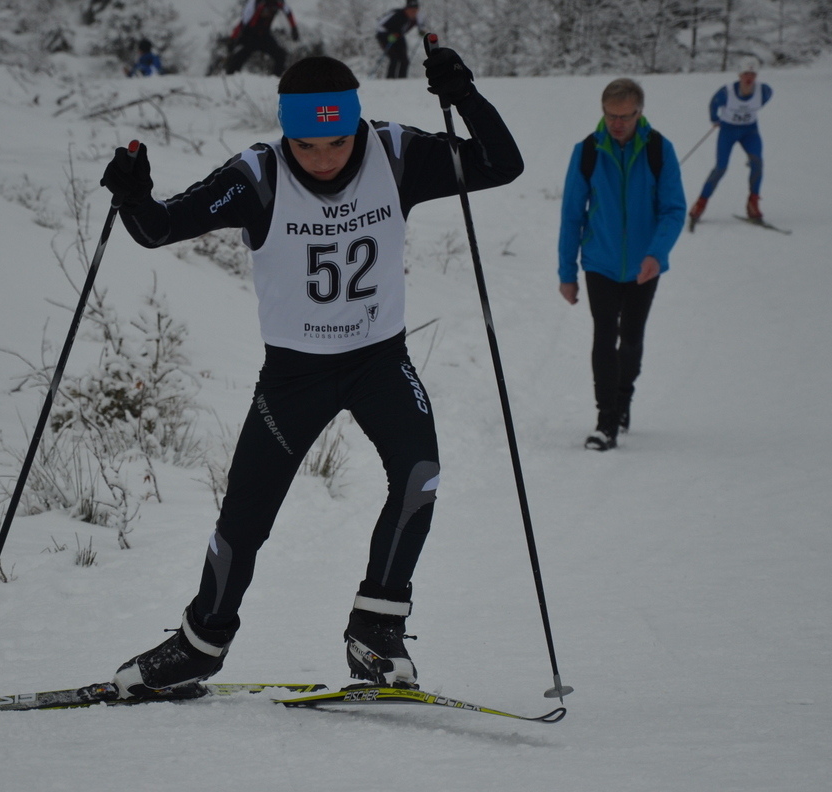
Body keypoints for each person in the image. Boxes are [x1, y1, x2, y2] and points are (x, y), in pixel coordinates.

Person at [99, 50, 523, 696]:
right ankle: (199, 644)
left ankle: (376, 628)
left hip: (380, 361)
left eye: (337, 142)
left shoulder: (396, 154)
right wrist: (133, 196)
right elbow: (159, 229)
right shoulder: (258, 175)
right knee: (245, 517)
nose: (323, 159)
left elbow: (501, 163)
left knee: (419, 476)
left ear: (356, 125)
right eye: (306, 145)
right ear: (285, 132)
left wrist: (464, 95)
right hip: (295, 376)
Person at [557, 78, 685, 451]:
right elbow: (571, 216)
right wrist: (567, 273)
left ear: (639, 113)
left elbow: (674, 210)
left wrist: (655, 254)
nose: (617, 123)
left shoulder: (659, 149)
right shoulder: (588, 151)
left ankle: (623, 397)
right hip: (600, 261)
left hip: (644, 265)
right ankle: (606, 421)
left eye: (625, 117)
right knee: (603, 335)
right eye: (610, 115)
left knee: (630, 338)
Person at [687, 59, 773, 227]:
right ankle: (700, 204)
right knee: (721, 167)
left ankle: (753, 204)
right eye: (745, 74)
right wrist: (714, 119)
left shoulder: (763, 90)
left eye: (752, 74)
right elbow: (714, 103)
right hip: (728, 131)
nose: (749, 78)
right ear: (739, 75)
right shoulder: (727, 92)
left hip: (750, 131)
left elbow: (764, 99)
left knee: (757, 163)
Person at [225, 0, 299, 76]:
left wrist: (294, 29)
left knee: (280, 56)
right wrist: (233, 39)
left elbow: (288, 12)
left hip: (264, 36)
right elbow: (243, 22)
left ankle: (275, 79)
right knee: (238, 58)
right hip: (250, 36)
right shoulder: (255, 2)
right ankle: (230, 76)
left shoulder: (278, 2)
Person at [375, 1, 429, 79]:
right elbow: (380, 25)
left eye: (415, 10)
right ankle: (390, 79)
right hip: (384, 36)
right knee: (394, 58)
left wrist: (422, 31)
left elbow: (421, 25)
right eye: (411, 10)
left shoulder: (418, 16)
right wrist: (388, 35)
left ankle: (402, 80)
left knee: (404, 60)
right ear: (406, 9)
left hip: (399, 36)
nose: (413, 13)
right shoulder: (397, 14)